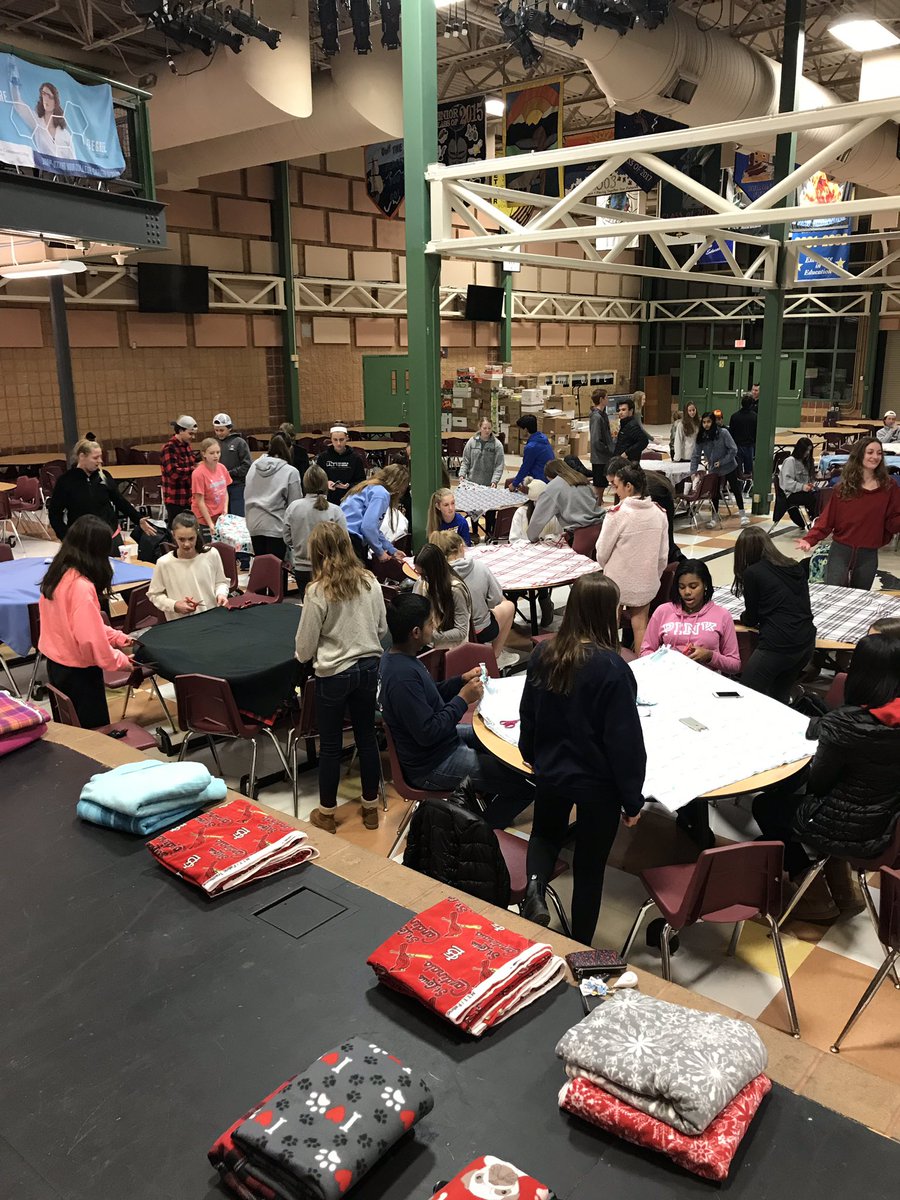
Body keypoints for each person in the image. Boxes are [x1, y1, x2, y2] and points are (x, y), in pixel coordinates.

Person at [518, 573, 646, 942]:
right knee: (590, 865)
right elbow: (624, 742)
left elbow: (530, 710)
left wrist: (531, 753)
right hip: (597, 782)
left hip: (553, 769)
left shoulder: (545, 652)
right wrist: (632, 798)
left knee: (544, 833)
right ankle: (580, 944)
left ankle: (535, 891)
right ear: (607, 613)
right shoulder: (612, 668)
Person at [752, 635, 900, 921]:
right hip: (886, 826)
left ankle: (815, 896)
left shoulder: (844, 724)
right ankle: (845, 891)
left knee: (767, 807)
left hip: (851, 829)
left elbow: (819, 783)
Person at [379, 594, 534, 828]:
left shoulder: (401, 658)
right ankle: (480, 831)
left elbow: (430, 695)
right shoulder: (402, 678)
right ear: (416, 632)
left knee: (498, 739)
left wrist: (459, 681)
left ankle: (482, 799)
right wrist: (463, 699)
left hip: (442, 742)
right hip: (431, 762)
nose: (435, 626)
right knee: (523, 786)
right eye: (430, 622)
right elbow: (428, 731)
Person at [294, 523, 387, 834]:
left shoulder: (317, 591)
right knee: (367, 738)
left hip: (334, 673)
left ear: (317, 553)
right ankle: (371, 808)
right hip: (368, 666)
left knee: (332, 745)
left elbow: (305, 648)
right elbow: (382, 629)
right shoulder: (370, 581)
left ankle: (327, 814)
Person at [38, 515, 133, 727]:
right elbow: (90, 639)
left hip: (57, 666)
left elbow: (76, 624)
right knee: (94, 734)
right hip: (79, 674)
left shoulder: (57, 573)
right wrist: (122, 662)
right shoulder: (82, 586)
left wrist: (116, 637)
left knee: (71, 730)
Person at [798, 438, 900, 589]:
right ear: (859, 455)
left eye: (879, 453)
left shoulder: (889, 487)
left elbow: (893, 521)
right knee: (833, 594)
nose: (875, 457)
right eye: (870, 452)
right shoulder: (844, 486)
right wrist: (810, 539)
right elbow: (827, 519)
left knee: (860, 598)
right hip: (840, 551)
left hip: (869, 554)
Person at [732, 526, 816, 703]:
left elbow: (752, 617)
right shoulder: (793, 565)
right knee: (779, 694)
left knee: (746, 694)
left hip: (778, 645)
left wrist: (743, 618)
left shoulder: (753, 573)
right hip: (806, 641)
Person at [595, 462, 668, 654]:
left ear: (629, 487)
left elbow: (601, 552)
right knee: (641, 626)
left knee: (611, 626)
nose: (615, 490)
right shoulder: (660, 513)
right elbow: (663, 556)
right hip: (646, 581)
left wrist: (608, 569)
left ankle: (610, 664)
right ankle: (642, 668)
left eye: (617, 486)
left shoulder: (617, 515)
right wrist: (653, 576)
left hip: (616, 582)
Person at [48, 437, 155, 549]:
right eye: (95, 458)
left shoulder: (104, 476)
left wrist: (137, 519)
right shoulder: (66, 480)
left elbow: (120, 501)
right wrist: (65, 537)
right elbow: (55, 513)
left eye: (100, 457)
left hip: (110, 535)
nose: (100, 461)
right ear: (82, 456)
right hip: (81, 539)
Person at [641, 559, 740, 673]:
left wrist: (710, 656)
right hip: (668, 677)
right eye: (682, 587)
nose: (687, 592)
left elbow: (734, 664)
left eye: (693, 586)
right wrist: (662, 661)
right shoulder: (663, 611)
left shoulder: (722, 615)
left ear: (705, 585)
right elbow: (645, 651)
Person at [430, 529, 515, 659]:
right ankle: (495, 656)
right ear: (461, 547)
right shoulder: (479, 567)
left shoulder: (435, 575)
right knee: (508, 605)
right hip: (479, 630)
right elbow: (494, 599)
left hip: (446, 631)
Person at [148, 512, 229, 620]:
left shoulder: (211, 554)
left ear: (197, 534)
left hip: (211, 617)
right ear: (173, 535)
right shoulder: (164, 563)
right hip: (181, 622)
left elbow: (221, 582)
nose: (186, 544)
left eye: (191, 539)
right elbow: (154, 595)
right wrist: (174, 605)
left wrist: (221, 594)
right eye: (181, 539)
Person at [283, 464, 347, 598]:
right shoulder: (335, 510)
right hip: (328, 569)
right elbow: (344, 541)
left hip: (301, 568)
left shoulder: (293, 507)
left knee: (306, 608)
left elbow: (287, 538)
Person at [244, 433, 303, 559]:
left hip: (254, 524)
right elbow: (295, 506)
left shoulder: (253, 467)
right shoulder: (291, 472)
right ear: (290, 448)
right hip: (276, 527)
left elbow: (246, 494)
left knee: (264, 570)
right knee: (278, 573)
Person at [690, 411, 749, 527]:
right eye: (704, 422)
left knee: (736, 490)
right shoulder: (702, 436)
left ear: (713, 422)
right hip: (714, 470)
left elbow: (733, 449)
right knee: (714, 493)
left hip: (729, 466)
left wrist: (722, 462)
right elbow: (695, 455)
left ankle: (743, 515)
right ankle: (714, 517)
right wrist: (693, 471)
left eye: (708, 422)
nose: (706, 424)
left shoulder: (723, 433)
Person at [342, 465, 409, 563]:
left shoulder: (369, 487)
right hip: (351, 540)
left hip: (342, 536)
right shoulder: (381, 493)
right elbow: (368, 527)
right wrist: (380, 552)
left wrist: (392, 550)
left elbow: (374, 528)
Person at [412, 542, 472, 648]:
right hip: (428, 642)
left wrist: (430, 635)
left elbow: (461, 631)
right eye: (418, 573)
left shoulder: (455, 590)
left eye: (424, 575)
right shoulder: (423, 583)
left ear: (433, 571)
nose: (421, 578)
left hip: (449, 648)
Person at [527, 459, 602, 542]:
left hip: (582, 533)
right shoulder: (580, 478)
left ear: (550, 477)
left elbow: (538, 519)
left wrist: (532, 537)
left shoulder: (553, 487)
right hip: (600, 526)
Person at [9, 72, 76, 160]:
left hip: (62, 173)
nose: (46, 99)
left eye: (49, 96)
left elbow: (74, 163)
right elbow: (18, 104)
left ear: (55, 101)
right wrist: (14, 79)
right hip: (43, 172)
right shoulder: (37, 122)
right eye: (44, 95)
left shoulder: (65, 135)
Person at [459, 417, 506, 539]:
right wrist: (462, 474)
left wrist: (494, 481)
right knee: (473, 511)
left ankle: (489, 534)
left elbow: (499, 465)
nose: (487, 430)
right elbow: (466, 461)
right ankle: (474, 533)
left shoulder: (497, 445)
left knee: (490, 512)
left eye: (489, 428)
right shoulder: (471, 442)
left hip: (488, 485)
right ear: (480, 428)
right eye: (484, 428)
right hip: (473, 484)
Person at [161, 415, 199, 526]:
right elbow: (173, 473)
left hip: (188, 497)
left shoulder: (187, 446)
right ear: (180, 430)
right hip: (175, 498)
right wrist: (194, 469)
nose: (192, 437)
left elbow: (192, 462)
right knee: (176, 529)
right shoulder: (169, 448)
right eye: (190, 434)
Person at [191, 438, 230, 540]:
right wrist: (210, 523)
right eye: (212, 453)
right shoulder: (198, 473)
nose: (216, 456)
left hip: (220, 516)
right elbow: (200, 501)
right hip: (205, 518)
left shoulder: (222, 468)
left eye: (218, 452)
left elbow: (225, 491)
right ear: (204, 454)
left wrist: (225, 510)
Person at [212, 414, 251, 518]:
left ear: (229, 428)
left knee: (237, 517)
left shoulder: (239, 443)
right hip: (219, 487)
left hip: (237, 486)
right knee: (222, 517)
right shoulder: (214, 444)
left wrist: (228, 473)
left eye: (222, 430)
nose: (219, 433)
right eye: (216, 430)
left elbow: (246, 466)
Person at [778, 437, 819, 530]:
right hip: (791, 494)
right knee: (812, 499)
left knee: (819, 495)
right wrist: (802, 487)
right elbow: (787, 483)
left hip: (802, 491)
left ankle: (817, 519)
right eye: (806, 450)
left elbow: (807, 480)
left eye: (809, 450)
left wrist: (810, 484)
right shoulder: (790, 461)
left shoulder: (805, 462)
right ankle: (815, 521)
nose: (808, 453)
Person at [316, 425, 366, 496]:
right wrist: (326, 483)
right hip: (329, 496)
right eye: (335, 440)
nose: (338, 443)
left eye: (341, 439)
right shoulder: (323, 457)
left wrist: (349, 486)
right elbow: (317, 479)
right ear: (331, 439)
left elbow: (361, 481)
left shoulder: (355, 457)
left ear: (347, 438)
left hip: (349, 496)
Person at [508, 415, 554, 488]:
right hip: (548, 477)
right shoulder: (543, 437)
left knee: (510, 484)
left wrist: (514, 484)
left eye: (520, 429)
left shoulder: (531, 447)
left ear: (525, 429)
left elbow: (525, 467)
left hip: (540, 480)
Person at [510, 478, 561, 542]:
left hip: (548, 549)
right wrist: (532, 543)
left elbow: (559, 535)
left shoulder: (554, 513)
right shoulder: (521, 512)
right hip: (526, 550)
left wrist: (550, 538)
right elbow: (514, 539)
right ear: (533, 501)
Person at [589, 388, 614, 496]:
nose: (608, 399)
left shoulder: (603, 415)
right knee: (599, 484)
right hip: (599, 457)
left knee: (603, 483)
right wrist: (607, 449)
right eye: (606, 397)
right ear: (601, 399)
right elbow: (595, 439)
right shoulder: (596, 417)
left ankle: (600, 502)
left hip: (604, 456)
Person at [612, 396, 650, 462]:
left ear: (631, 411)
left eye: (623, 410)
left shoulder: (632, 425)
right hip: (621, 462)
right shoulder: (624, 423)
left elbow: (644, 441)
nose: (620, 412)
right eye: (619, 410)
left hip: (628, 465)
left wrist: (626, 453)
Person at [729, 394, 758, 476]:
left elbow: (731, 432)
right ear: (751, 405)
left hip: (737, 445)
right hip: (749, 446)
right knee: (748, 470)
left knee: (738, 469)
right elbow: (756, 432)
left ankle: (739, 482)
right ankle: (748, 483)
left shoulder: (734, 416)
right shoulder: (755, 417)